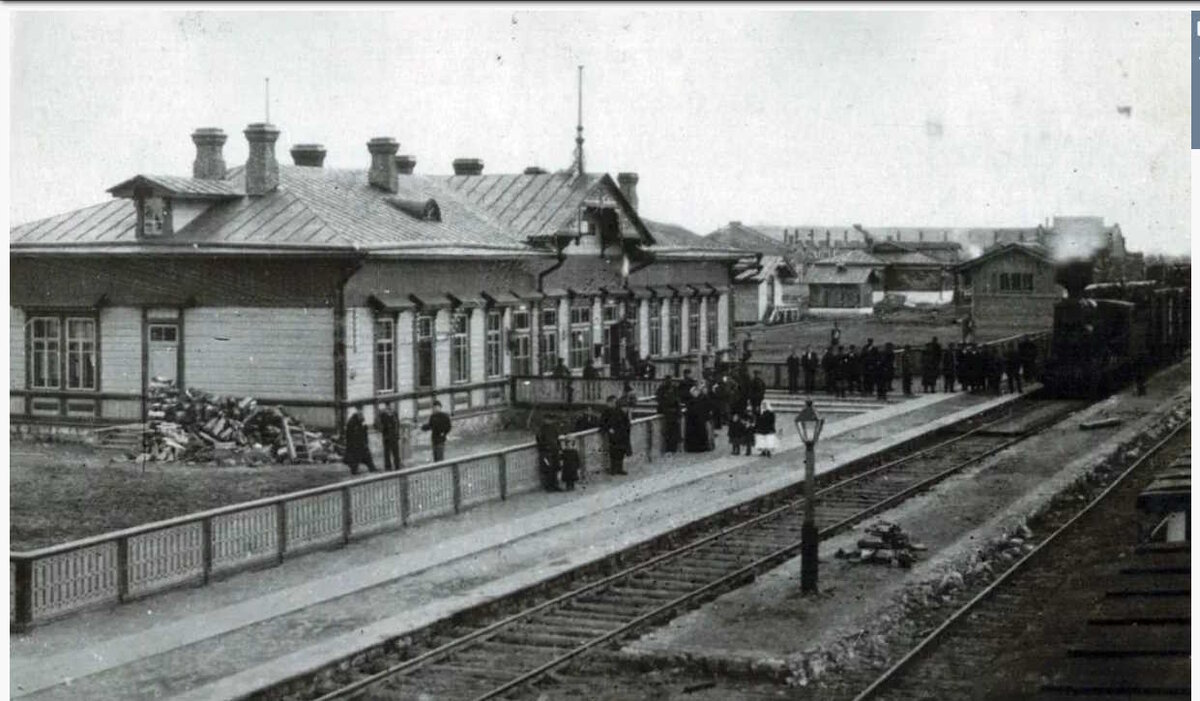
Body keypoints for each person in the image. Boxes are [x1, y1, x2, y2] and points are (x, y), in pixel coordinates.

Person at [600, 395, 631, 475]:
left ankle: (619, 468)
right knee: (614, 452)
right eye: (613, 402)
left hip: (621, 434)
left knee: (621, 452)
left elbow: (625, 421)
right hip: (613, 436)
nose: (615, 404)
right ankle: (613, 469)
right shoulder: (606, 412)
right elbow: (602, 423)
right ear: (609, 403)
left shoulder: (619, 411)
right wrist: (608, 429)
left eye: (615, 402)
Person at [343, 408, 378, 475]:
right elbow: (350, 435)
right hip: (355, 445)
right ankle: (354, 471)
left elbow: (364, 432)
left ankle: (372, 468)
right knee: (356, 459)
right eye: (361, 417)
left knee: (367, 457)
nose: (363, 418)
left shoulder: (360, 422)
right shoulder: (352, 423)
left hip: (361, 443)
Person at [655, 376, 682, 454]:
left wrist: (678, 412)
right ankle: (669, 448)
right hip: (667, 412)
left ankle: (673, 448)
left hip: (674, 413)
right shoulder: (661, 389)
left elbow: (678, 401)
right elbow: (659, 400)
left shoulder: (674, 388)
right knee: (668, 432)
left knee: (674, 431)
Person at [535, 419, 564, 491]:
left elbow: (557, 439)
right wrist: (545, 447)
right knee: (548, 468)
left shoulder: (554, 428)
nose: (549, 421)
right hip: (546, 452)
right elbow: (539, 441)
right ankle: (549, 486)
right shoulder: (541, 430)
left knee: (555, 468)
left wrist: (559, 449)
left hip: (554, 451)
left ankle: (555, 484)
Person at [684, 379, 712, 453]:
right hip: (695, 417)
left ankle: (700, 447)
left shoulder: (702, 396)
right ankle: (697, 447)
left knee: (700, 432)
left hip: (698, 417)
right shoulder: (697, 396)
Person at [375, 401, 401, 472]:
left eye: (389, 405)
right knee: (387, 452)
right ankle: (388, 467)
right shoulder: (383, 414)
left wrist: (397, 434)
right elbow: (379, 424)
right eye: (387, 405)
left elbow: (397, 424)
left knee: (396, 451)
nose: (389, 407)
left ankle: (397, 466)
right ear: (386, 406)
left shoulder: (394, 413)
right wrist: (382, 430)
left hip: (393, 435)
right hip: (386, 436)